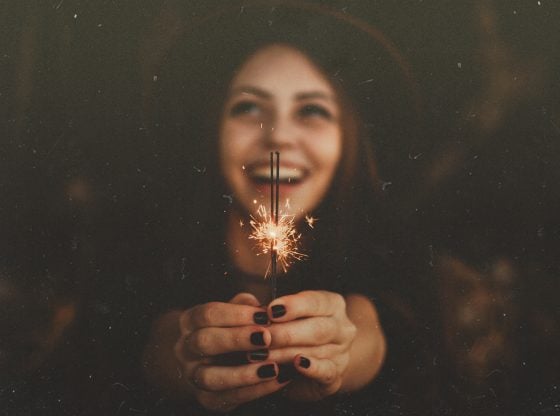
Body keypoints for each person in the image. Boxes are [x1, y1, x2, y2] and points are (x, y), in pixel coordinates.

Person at [137, 4, 428, 415]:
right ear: (212, 127)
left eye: (312, 110)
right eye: (248, 107)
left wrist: (342, 356)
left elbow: (370, 331)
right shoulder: (147, 251)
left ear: (350, 137)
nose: (278, 138)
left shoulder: (392, 260)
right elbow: (153, 344)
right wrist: (180, 355)